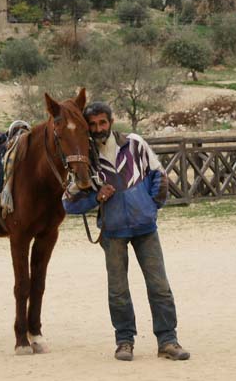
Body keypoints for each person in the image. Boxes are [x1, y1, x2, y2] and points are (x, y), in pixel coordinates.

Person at [63, 101, 190, 362]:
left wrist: (151, 206)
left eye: (103, 122)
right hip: (113, 233)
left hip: (146, 228)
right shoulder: (85, 158)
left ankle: (168, 340)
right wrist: (96, 197)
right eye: (93, 124)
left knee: (159, 286)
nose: (99, 128)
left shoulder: (134, 144)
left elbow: (159, 175)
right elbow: (68, 202)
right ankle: (124, 342)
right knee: (118, 290)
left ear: (111, 121)